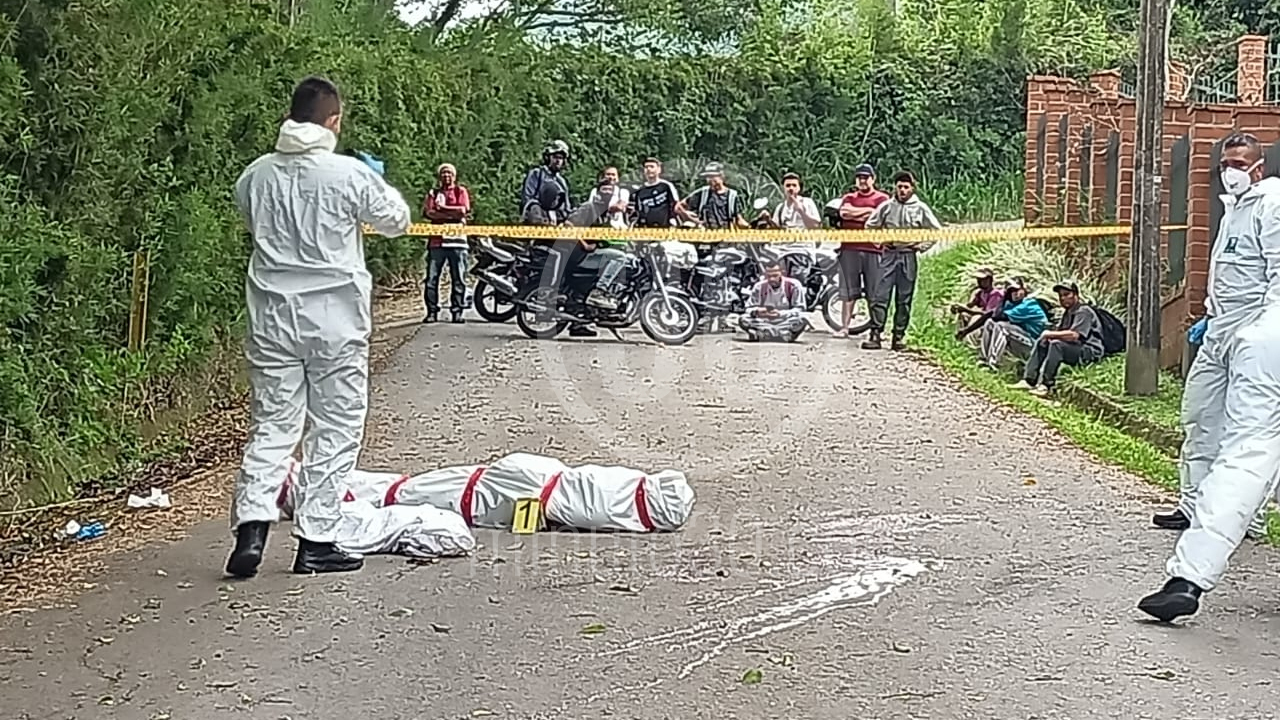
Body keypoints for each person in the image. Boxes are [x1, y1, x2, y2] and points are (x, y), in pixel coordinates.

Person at [227, 76, 411, 577]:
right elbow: (397, 220)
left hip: (271, 317)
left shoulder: (255, 175)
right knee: (335, 427)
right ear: (334, 121)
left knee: (273, 424)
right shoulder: (348, 174)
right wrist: (378, 180)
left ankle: (252, 528)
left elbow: (251, 219)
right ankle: (316, 540)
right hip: (335, 321)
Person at [1138, 132, 1280, 623]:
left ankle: (1192, 577)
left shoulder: (1271, 203)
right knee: (1215, 432)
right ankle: (1188, 572)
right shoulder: (1234, 208)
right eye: (1226, 162)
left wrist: (1255, 334)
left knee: (1247, 455)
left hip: (1258, 343)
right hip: (1234, 338)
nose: (1231, 170)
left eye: (1240, 162)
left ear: (1259, 166)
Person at [861, 170, 941, 350]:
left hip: (908, 256)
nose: (902, 190)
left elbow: (936, 230)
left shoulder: (920, 208)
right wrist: (879, 241)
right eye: (899, 187)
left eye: (906, 187)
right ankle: (875, 334)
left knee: (904, 298)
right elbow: (870, 226)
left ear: (912, 188)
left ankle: (898, 336)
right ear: (895, 188)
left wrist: (921, 246)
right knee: (880, 295)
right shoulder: (887, 206)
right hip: (889, 254)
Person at [1010, 281, 1103, 397]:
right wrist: (1048, 336)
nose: (1063, 298)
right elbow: (1060, 333)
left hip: (1089, 350)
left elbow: (1074, 335)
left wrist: (1050, 334)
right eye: (1061, 296)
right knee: (1043, 341)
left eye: (1066, 294)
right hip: (1075, 347)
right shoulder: (1068, 313)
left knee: (1056, 345)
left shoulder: (1084, 311)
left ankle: (1046, 385)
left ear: (1076, 295)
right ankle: (1029, 379)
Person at [833, 164, 890, 338]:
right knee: (848, 290)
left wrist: (858, 214)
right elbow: (844, 213)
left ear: (873, 179)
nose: (862, 180)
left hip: (873, 249)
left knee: (875, 291)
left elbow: (878, 215)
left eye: (866, 177)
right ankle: (844, 327)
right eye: (859, 177)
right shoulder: (849, 197)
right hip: (849, 248)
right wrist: (867, 212)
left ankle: (876, 329)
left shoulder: (882, 198)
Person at [422, 163, 472, 324]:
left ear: (454, 176)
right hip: (436, 242)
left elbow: (463, 210)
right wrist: (453, 215)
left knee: (459, 279)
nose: (446, 176)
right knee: (431, 279)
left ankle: (457, 312)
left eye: (449, 173)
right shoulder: (433, 193)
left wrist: (442, 209)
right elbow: (429, 213)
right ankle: (432, 312)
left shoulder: (460, 191)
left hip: (458, 242)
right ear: (439, 176)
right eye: (443, 173)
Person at [963, 277, 1048, 368]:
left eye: (1017, 290)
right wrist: (966, 331)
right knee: (990, 322)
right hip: (1023, 340)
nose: (1015, 293)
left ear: (1024, 290)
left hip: (1035, 345)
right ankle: (984, 358)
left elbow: (998, 316)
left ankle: (993, 363)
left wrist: (1003, 299)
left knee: (1001, 327)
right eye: (1011, 291)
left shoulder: (1028, 304)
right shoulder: (1012, 305)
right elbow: (992, 316)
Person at [765, 172, 822, 276]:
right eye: (788, 185)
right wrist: (768, 220)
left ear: (799, 188)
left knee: (797, 280)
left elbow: (815, 226)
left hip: (801, 249)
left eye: (794, 185)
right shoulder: (781, 207)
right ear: (783, 188)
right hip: (781, 251)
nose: (791, 188)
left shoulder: (807, 203)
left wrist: (801, 211)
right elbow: (777, 230)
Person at [739, 261, 809, 342]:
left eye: (775, 276)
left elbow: (800, 309)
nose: (772, 279)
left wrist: (780, 314)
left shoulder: (793, 285)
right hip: (764, 320)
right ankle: (780, 334)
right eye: (769, 276)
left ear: (782, 273)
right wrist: (757, 311)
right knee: (743, 319)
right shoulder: (759, 287)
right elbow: (748, 308)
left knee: (803, 319)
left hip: (784, 320)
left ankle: (765, 334)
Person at [675, 162, 749, 230]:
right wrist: (692, 219)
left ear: (721, 176)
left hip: (725, 237)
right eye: (708, 177)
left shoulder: (732, 196)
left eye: (712, 176)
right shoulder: (702, 193)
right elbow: (678, 207)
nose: (709, 180)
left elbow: (738, 219)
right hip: (705, 237)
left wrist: (749, 227)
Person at [520, 140, 571, 218]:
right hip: (539, 215)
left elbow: (566, 208)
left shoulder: (562, 182)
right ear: (548, 157)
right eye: (555, 157)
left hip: (558, 219)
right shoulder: (537, 174)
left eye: (560, 158)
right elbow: (528, 199)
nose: (557, 161)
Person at [630, 157, 681, 228]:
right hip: (647, 228)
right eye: (646, 167)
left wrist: (673, 219)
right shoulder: (640, 190)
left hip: (666, 226)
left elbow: (676, 204)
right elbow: (638, 210)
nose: (649, 169)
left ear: (659, 169)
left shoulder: (666, 186)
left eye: (652, 167)